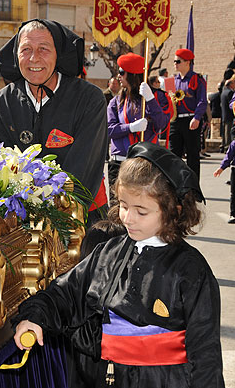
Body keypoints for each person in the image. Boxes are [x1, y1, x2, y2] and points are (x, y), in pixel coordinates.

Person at [13, 141, 223, 388]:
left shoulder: (191, 269)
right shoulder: (108, 252)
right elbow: (64, 294)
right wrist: (35, 317)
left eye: (141, 211)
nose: (128, 218)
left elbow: (206, 352)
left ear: (173, 211)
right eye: (123, 206)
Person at [0, 19, 108, 226]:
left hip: (83, 217)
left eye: (43, 49)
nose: (34, 58)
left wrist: (56, 213)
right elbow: (2, 167)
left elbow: (84, 168)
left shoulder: (90, 98)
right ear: (16, 55)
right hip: (21, 220)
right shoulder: (1, 102)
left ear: (58, 54)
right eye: (26, 49)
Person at [107, 53, 169, 204]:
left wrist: (151, 100)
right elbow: (110, 130)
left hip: (144, 163)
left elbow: (162, 124)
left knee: (142, 207)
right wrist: (131, 127)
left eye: (122, 72)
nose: (118, 76)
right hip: (119, 162)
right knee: (117, 209)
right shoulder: (116, 102)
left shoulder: (156, 97)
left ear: (133, 75)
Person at [169, 48, 207, 179]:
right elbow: (168, 102)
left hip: (191, 119)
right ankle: (175, 185)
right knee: (173, 155)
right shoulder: (172, 80)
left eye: (178, 61)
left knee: (192, 156)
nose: (175, 64)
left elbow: (202, 100)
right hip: (176, 120)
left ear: (187, 62)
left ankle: (193, 188)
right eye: (174, 61)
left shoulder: (197, 79)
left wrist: (197, 117)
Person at [220, 75, 235, 150]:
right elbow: (232, 104)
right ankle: (227, 147)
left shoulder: (223, 92)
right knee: (228, 132)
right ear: (231, 84)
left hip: (224, 114)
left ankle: (224, 145)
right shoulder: (230, 93)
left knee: (225, 131)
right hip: (229, 114)